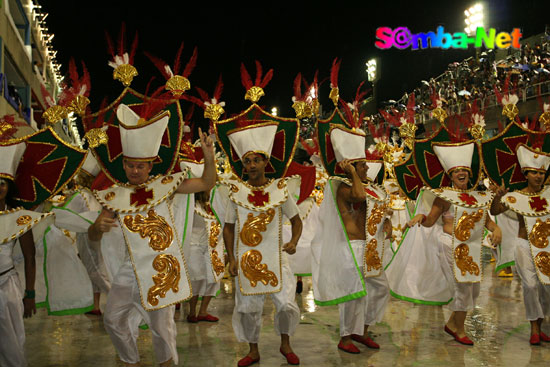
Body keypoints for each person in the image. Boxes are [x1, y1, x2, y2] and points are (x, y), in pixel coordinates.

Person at [88, 104, 216, 367]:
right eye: (131, 165)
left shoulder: (166, 186)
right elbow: (94, 236)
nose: (135, 171)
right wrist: (96, 227)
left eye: (141, 166)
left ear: (150, 166)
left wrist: (209, 156)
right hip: (129, 270)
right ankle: (130, 360)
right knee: (112, 319)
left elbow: (206, 184)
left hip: (163, 273)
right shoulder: (114, 196)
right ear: (124, 164)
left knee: (162, 331)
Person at [219, 121, 303, 367]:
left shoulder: (280, 189)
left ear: (265, 162)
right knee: (247, 308)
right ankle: (253, 350)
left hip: (277, 257)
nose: (252, 165)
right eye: (247, 161)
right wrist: (231, 258)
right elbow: (228, 227)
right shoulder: (236, 193)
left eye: (256, 160)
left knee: (287, 304)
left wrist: (294, 241)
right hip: (246, 259)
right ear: (243, 166)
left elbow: (297, 221)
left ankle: (285, 344)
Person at [407, 141, 502, 345]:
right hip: (449, 243)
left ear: (469, 174)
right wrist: (420, 218)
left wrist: (497, 229)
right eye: (456, 170)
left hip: (471, 248)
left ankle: (452, 324)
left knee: (474, 289)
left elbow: (488, 222)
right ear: (450, 176)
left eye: (464, 170)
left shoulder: (478, 198)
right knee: (462, 287)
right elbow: (431, 220)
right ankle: (459, 330)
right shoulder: (444, 198)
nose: (461, 173)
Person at [0, 140, 54, 367]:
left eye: (2, 183)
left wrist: (30, 294)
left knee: (12, 343)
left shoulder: (18, 216)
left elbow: (30, 257)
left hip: (7, 285)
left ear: (9, 186)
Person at [489, 144, 550, 345]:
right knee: (530, 285)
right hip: (524, 245)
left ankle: (540, 325)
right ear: (526, 174)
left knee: (546, 288)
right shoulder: (517, 196)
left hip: (547, 248)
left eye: (541, 172)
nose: (538, 177)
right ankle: (534, 327)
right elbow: (496, 211)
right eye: (533, 172)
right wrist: (498, 196)